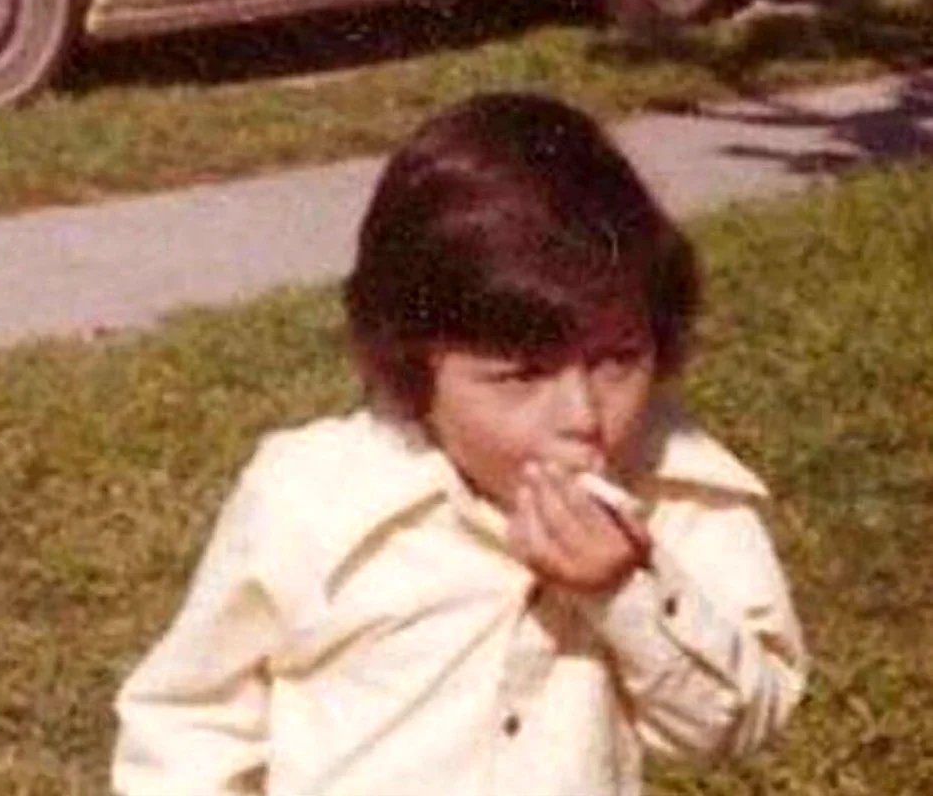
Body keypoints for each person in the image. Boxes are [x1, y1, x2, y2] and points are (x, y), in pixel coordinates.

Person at [112, 92, 807, 796]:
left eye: (617, 360)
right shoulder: (309, 498)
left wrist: (624, 590)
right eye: (520, 376)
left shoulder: (676, 494)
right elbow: (187, 720)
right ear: (414, 369)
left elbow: (737, 721)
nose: (583, 416)